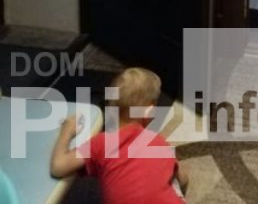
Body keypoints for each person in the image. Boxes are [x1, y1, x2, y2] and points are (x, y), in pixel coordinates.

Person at [50, 67, 189, 204]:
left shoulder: (102, 143)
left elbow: (58, 166)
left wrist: (66, 131)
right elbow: (183, 179)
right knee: (174, 179)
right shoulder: (160, 144)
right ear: (149, 112)